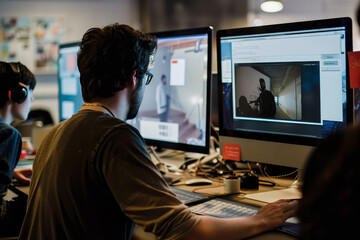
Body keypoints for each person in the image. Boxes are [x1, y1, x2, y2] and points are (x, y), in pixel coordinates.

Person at [20, 24, 296, 240]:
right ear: (133, 77)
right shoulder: (114, 135)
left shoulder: (58, 132)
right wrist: (260, 219)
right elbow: (187, 231)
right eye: (146, 78)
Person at [0, 61, 35, 236]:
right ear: (18, 94)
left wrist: (10, 173)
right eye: (30, 92)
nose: (32, 99)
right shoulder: (8, 135)